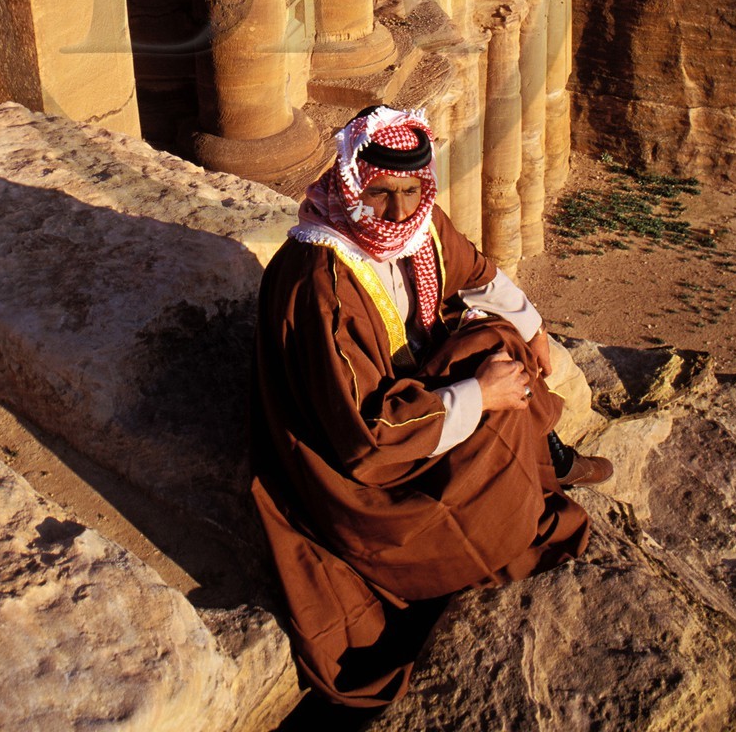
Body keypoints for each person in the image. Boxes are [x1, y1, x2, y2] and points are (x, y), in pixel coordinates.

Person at [251, 104, 612, 711]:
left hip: (403, 398)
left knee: (497, 337)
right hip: (359, 461)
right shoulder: (323, 281)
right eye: (380, 193)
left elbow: (477, 274)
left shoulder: (419, 228)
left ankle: (540, 457)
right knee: (492, 405)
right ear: (351, 184)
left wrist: (534, 326)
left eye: (410, 191)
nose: (395, 212)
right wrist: (481, 396)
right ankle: (524, 481)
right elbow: (366, 439)